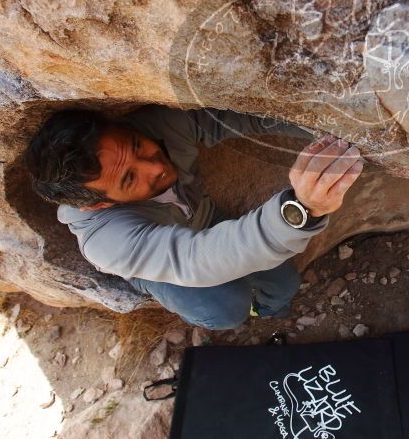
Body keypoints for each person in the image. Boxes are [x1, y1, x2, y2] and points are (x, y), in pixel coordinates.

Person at [23, 104, 364, 330]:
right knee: (225, 309)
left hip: (201, 220)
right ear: (97, 205)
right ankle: (153, 285)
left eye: (137, 146)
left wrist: (335, 133)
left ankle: (267, 311)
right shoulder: (104, 240)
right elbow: (192, 259)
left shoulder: (155, 124)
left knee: (285, 284)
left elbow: (244, 118)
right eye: (129, 179)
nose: (156, 166)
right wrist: (300, 210)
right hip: (164, 261)